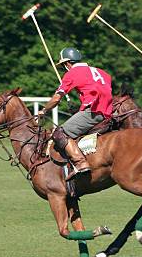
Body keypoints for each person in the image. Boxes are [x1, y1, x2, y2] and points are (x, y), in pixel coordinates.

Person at [38, 47, 113, 180]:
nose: (64, 68)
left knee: (60, 133)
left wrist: (44, 110)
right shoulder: (102, 72)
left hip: (93, 111)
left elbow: (56, 98)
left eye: (63, 66)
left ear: (67, 63)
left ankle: (80, 163)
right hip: (109, 111)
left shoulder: (72, 73)